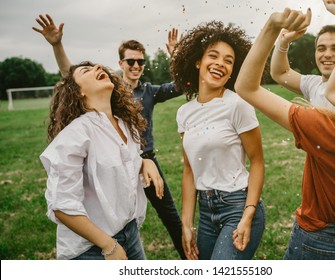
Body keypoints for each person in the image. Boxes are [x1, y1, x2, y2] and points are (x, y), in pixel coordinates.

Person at [235, 7, 335, 260]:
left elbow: (246, 87)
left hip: (320, 241)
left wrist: (272, 27)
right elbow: (332, 92)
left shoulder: (333, 129)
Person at [33, 14, 186, 259]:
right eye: (131, 61)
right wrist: (57, 45)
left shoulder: (143, 97)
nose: (137, 66)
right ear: (121, 63)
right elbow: (69, 76)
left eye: (141, 62)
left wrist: (145, 160)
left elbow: (181, 85)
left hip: (141, 165)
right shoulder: (84, 125)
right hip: (92, 246)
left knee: (170, 215)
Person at [40, 61, 164, 260]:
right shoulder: (75, 134)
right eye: (86, 71)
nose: (99, 68)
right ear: (78, 91)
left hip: (129, 233)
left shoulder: (125, 124)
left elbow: (121, 162)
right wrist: (108, 245)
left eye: (99, 67)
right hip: (90, 247)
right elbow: (62, 204)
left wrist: (144, 162)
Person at [170, 21, 266, 260]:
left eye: (228, 60)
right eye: (213, 56)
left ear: (234, 71)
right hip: (205, 214)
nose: (220, 64)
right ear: (198, 62)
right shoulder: (184, 113)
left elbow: (257, 162)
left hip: (238, 206)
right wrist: (187, 223)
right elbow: (189, 170)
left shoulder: (238, 105)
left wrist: (248, 215)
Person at [270, 0, 335, 109]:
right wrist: (282, 42)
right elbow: (280, 73)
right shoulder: (313, 84)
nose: (327, 54)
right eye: (321, 49)